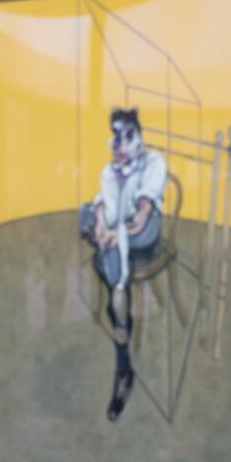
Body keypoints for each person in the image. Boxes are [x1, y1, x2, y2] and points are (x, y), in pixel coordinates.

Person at [79, 108, 168, 421]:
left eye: (128, 134)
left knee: (111, 258)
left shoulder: (153, 163)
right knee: (91, 221)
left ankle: (122, 363)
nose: (122, 142)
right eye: (117, 135)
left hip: (144, 232)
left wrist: (114, 234)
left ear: (138, 134)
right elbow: (110, 208)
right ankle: (123, 355)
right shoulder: (109, 171)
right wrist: (103, 223)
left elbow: (142, 213)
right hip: (120, 234)